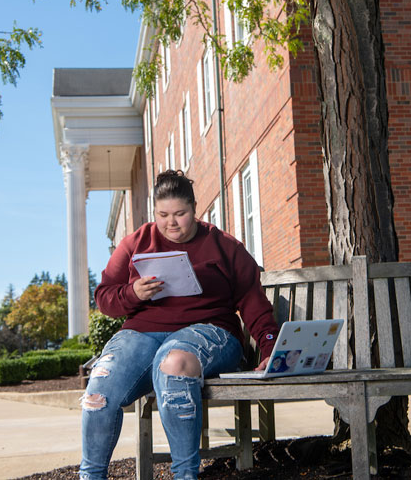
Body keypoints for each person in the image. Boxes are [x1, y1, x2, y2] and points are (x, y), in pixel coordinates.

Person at [80, 170, 280, 480]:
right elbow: (105, 297)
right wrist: (133, 293)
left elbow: (252, 301)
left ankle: (185, 475)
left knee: (173, 364)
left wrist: (269, 348)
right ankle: (90, 476)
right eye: (163, 215)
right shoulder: (137, 242)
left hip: (210, 332)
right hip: (142, 332)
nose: (171, 222)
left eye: (180, 214)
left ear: (194, 208)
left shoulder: (224, 245)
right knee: (99, 389)